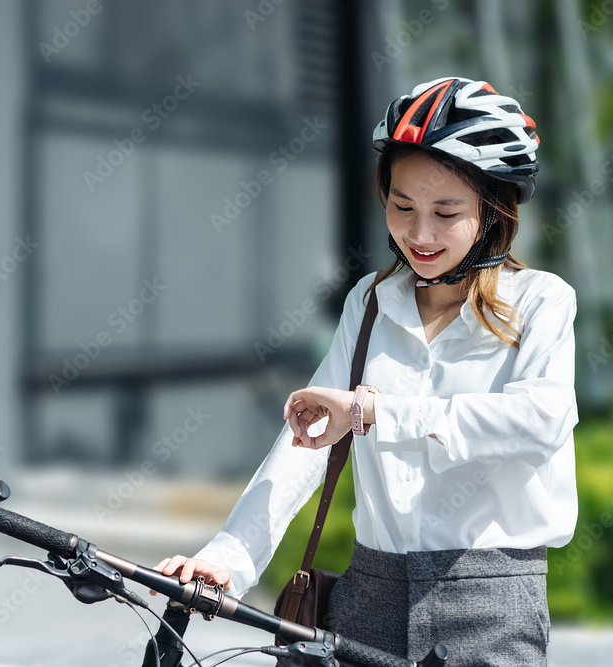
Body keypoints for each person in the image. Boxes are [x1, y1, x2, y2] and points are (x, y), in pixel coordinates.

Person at [157, 76, 577, 666]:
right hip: (366, 596)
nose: (419, 233)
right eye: (402, 206)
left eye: (446, 211)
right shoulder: (371, 302)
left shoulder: (540, 301)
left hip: (488, 603)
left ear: (494, 212)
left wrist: (372, 411)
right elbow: (307, 440)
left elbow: (540, 421)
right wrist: (228, 558)